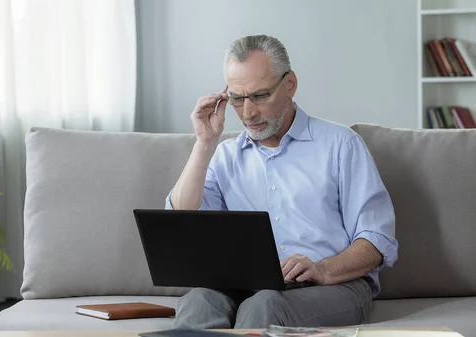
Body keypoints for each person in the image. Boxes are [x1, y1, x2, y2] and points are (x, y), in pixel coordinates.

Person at [164, 35, 399, 329]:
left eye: (260, 96)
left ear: (290, 84)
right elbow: (182, 222)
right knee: (198, 302)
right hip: (244, 287)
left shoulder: (341, 145)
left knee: (265, 305)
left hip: (334, 287)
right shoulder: (223, 155)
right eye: (237, 98)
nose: (248, 113)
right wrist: (203, 144)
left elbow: (377, 241)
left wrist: (323, 270)